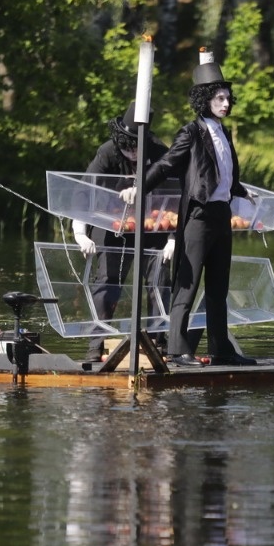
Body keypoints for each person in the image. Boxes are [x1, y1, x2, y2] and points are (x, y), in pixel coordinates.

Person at [120, 56, 256, 367]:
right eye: (219, 98)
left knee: (219, 287)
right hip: (198, 215)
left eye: (227, 98)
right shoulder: (191, 132)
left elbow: (224, 173)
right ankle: (178, 350)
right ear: (204, 99)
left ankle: (221, 349)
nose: (226, 103)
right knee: (188, 281)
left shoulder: (224, 132)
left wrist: (242, 190)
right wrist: (141, 186)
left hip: (222, 215)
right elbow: (166, 164)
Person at [73, 102, 171, 362]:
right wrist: (80, 233)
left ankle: (157, 343)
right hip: (111, 223)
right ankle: (96, 344)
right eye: (129, 146)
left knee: (159, 281)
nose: (133, 152)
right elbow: (85, 192)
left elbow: (175, 198)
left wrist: (173, 238)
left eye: (138, 146)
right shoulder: (106, 153)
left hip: (153, 226)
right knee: (106, 282)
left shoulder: (161, 153)